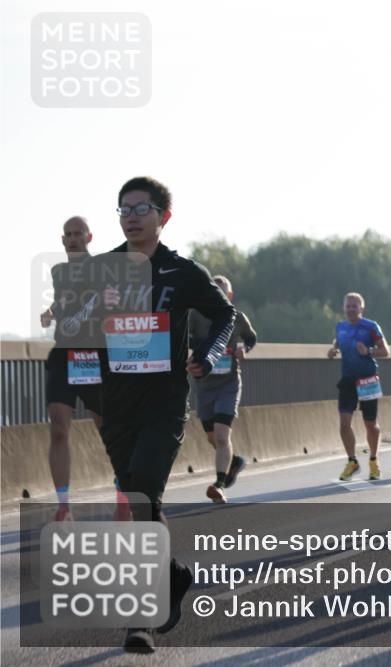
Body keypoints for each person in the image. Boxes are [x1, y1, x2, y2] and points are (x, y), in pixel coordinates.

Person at [78, 177, 235, 653]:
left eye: (141, 208)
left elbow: (224, 316)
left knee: (144, 494)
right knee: (143, 504)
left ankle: (140, 619)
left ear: (164, 216)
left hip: (163, 403)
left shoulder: (182, 271)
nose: (131, 216)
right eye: (123, 209)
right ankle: (174, 574)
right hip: (115, 404)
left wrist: (207, 354)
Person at [39, 216, 104, 521]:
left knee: (108, 430)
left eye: (79, 233)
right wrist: (51, 311)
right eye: (68, 234)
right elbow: (66, 299)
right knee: (58, 429)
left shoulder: (102, 268)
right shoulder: (58, 271)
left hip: (94, 354)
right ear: (62, 239)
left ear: (89, 237)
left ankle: (123, 493)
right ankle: (63, 504)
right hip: (63, 354)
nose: (73, 238)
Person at [189, 275, 258, 503]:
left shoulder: (237, 317)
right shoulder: (196, 315)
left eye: (223, 292)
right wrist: (202, 348)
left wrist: (244, 349)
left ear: (230, 295)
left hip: (228, 383)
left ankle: (219, 484)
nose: (218, 296)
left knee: (221, 435)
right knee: (212, 437)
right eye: (214, 291)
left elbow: (251, 338)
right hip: (204, 384)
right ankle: (234, 461)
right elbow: (183, 339)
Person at [329, 293, 390, 481]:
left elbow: (385, 351)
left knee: (371, 425)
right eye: (347, 306)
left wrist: (369, 351)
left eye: (354, 306)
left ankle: (374, 459)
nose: (350, 309)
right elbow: (338, 342)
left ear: (361, 308)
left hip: (367, 379)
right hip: (348, 379)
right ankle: (352, 461)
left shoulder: (371, 327)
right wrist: (333, 350)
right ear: (343, 308)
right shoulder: (340, 327)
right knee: (344, 423)